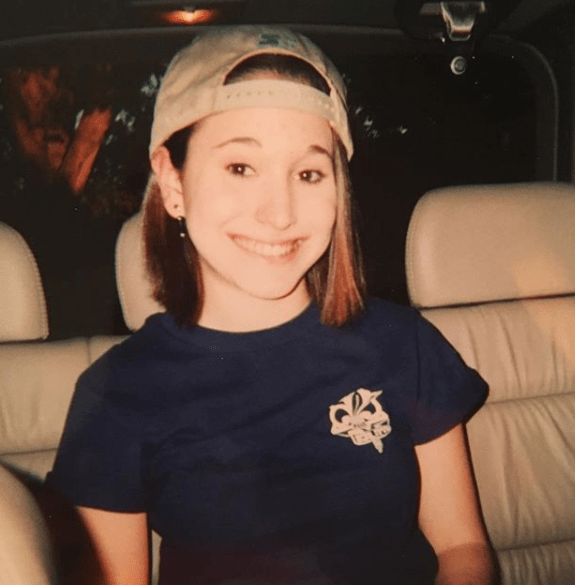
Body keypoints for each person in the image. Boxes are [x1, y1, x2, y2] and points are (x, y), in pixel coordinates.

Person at [47, 25, 497, 585]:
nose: (280, 213)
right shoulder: (117, 393)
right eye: (241, 168)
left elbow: (462, 547)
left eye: (309, 173)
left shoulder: (402, 344)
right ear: (173, 182)